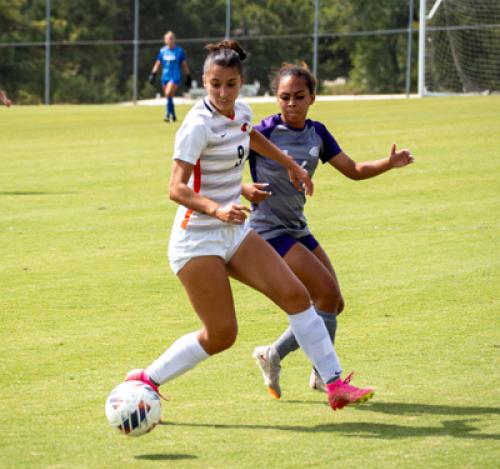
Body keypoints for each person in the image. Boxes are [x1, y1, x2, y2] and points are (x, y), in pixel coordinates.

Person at [126, 41, 374, 412]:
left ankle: (335, 384)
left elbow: (249, 133)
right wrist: (218, 208)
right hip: (196, 239)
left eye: (230, 84)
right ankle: (146, 378)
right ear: (205, 83)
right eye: (214, 85)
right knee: (222, 334)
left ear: (241, 81)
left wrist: (288, 162)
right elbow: (175, 188)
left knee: (296, 296)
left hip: (235, 233)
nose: (223, 93)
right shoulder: (196, 125)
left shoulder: (240, 111)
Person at [243, 63, 414, 399]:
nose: (291, 103)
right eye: (284, 97)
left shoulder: (317, 133)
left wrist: (388, 163)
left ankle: (272, 354)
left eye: (299, 97)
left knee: (333, 303)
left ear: (312, 98)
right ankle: (325, 375)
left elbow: (353, 169)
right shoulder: (262, 132)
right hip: (267, 231)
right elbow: (221, 162)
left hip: (297, 228)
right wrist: (243, 188)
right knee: (324, 295)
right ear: (276, 98)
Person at [149, 31, 191, 122]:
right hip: (165, 76)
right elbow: (158, 63)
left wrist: (188, 76)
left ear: (174, 40)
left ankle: (167, 114)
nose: (170, 40)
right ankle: (173, 114)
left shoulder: (179, 51)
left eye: (172, 38)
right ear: (165, 40)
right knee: (169, 96)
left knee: (168, 93)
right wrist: (153, 74)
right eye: (168, 38)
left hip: (175, 77)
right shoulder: (162, 51)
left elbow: (184, 64)